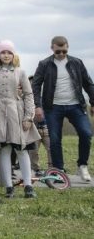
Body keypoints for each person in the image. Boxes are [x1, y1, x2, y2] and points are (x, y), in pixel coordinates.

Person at [32, 35, 94, 181]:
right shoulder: (44, 64)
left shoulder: (77, 63)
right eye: (58, 51)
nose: (61, 54)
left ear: (67, 48)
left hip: (76, 106)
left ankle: (82, 166)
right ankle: (59, 170)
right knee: (54, 139)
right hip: (53, 107)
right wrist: (38, 106)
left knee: (86, 133)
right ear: (52, 48)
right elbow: (35, 85)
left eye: (64, 51)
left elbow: (88, 83)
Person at [0, 40, 40, 198]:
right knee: (5, 149)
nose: (6, 55)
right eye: (3, 52)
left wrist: (29, 116)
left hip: (17, 113)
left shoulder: (20, 72)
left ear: (13, 54)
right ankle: (8, 186)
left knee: (21, 149)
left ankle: (28, 185)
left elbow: (28, 94)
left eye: (9, 52)